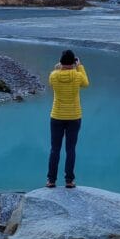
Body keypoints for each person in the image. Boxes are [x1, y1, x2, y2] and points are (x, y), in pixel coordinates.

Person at [46, 49, 89, 189]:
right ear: (73, 62)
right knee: (70, 149)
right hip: (74, 116)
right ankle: (69, 181)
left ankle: (51, 180)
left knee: (55, 149)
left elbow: (54, 76)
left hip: (57, 116)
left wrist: (59, 67)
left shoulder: (53, 76)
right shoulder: (77, 76)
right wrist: (80, 66)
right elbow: (86, 83)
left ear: (61, 61)